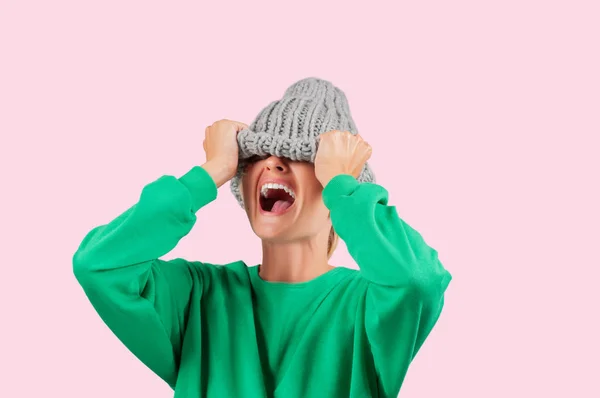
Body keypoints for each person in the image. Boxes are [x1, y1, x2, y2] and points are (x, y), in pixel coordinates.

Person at [73, 77, 452, 397]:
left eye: (305, 157)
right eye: (259, 154)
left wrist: (344, 189)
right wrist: (210, 172)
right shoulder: (197, 298)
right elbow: (99, 265)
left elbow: (418, 281)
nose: (273, 161)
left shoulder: (369, 305)